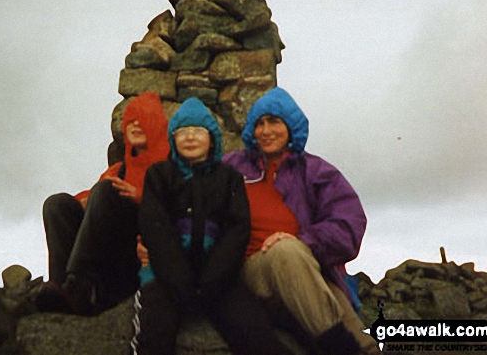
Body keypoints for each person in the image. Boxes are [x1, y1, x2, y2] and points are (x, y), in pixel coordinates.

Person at [131, 97, 294, 355]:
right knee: (155, 333)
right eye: (182, 132)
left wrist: (211, 282)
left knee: (257, 334)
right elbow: (156, 229)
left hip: (219, 278)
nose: (190, 138)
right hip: (164, 277)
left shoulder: (229, 178)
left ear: (212, 138)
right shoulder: (159, 175)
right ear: (173, 139)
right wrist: (180, 282)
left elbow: (237, 230)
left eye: (198, 131)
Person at [222, 87, 378, 355]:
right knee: (287, 252)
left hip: (303, 268)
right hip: (250, 271)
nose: (266, 131)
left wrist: (305, 241)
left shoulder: (317, 172)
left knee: (327, 292)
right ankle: (339, 348)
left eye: (274, 122)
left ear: (291, 126)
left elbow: (348, 225)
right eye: (259, 123)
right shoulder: (232, 167)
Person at [38, 91, 169, 314]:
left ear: (156, 126)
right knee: (57, 204)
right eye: (131, 120)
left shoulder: (169, 170)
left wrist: (140, 197)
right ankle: (61, 288)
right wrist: (83, 202)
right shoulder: (118, 170)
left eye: (144, 119)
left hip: (135, 259)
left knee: (107, 190)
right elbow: (92, 198)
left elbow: (176, 212)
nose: (136, 124)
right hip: (106, 257)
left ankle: (79, 284)